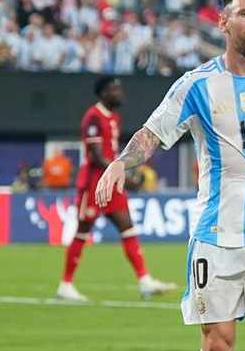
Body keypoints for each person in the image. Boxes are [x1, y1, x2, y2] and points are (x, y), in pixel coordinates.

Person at [96, 0, 245, 351]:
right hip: (215, 238)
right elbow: (153, 133)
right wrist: (120, 164)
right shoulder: (196, 85)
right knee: (217, 343)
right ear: (223, 23)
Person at [56, 76, 174, 302]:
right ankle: (66, 284)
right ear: (103, 93)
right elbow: (97, 155)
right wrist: (126, 178)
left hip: (112, 183)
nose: (119, 93)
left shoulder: (114, 117)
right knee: (83, 229)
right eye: (114, 90)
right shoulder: (94, 116)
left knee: (127, 226)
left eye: (120, 89)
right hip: (94, 183)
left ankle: (145, 280)